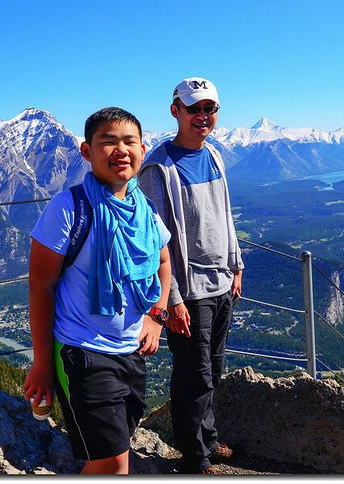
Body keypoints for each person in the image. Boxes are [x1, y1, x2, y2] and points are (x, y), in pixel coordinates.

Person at [23, 107, 172, 475]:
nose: (120, 150)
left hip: (130, 353)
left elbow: (164, 264)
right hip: (82, 353)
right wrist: (43, 363)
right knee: (113, 462)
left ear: (142, 149)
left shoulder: (145, 211)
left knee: (111, 456)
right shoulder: (68, 209)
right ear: (87, 151)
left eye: (129, 141)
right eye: (108, 142)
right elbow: (41, 286)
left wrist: (157, 315)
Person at [138, 77, 244, 475]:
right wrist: (174, 298)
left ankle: (210, 441)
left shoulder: (214, 156)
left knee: (211, 370)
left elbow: (226, 215)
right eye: (194, 108)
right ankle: (193, 457)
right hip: (190, 292)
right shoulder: (159, 168)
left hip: (221, 282)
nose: (203, 116)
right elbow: (156, 241)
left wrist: (236, 264)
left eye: (210, 109)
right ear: (175, 111)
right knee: (192, 375)